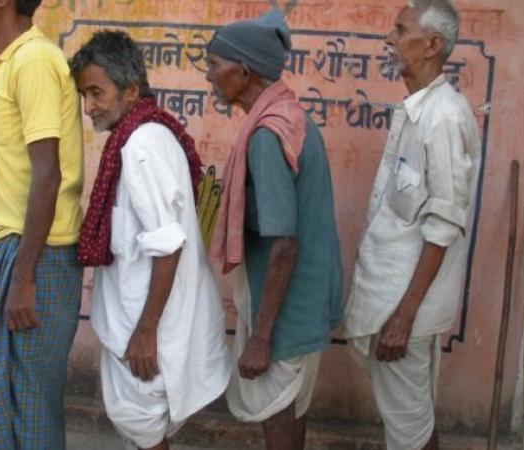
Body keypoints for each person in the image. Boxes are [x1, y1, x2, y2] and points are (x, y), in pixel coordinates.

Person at [70, 31, 231, 450]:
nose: (88, 107)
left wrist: (145, 333)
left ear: (130, 90)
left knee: (142, 429)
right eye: (83, 95)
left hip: (145, 331)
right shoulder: (147, 133)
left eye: (96, 93)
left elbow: (168, 244)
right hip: (139, 323)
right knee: (139, 430)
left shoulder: (141, 146)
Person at [342, 1, 482, 449]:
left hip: (404, 307)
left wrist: (404, 316)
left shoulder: (443, 116)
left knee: (409, 426)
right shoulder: (421, 109)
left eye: (400, 31)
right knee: (408, 419)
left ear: (432, 45)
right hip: (392, 296)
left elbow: (444, 223)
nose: (389, 39)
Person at [206, 10, 343, 450]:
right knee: (290, 407)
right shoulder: (290, 117)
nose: (209, 77)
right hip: (303, 298)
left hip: (286, 309)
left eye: (214, 65)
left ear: (242, 72)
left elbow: (284, 241)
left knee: (277, 414)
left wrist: (261, 337)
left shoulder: (268, 135)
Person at [0, 0, 84, 446]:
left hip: (40, 256)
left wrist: (24, 277)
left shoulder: (33, 61)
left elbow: (47, 174)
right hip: (26, 252)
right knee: (14, 400)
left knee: (30, 405)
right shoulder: (16, 60)